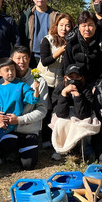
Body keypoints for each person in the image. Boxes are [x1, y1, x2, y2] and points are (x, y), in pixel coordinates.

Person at [0, 46, 49, 169]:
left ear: (30, 59)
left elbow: (42, 110)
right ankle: (12, 150)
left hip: (28, 130)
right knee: (6, 143)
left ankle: (23, 149)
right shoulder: (2, 82)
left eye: (25, 58)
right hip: (8, 129)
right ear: (11, 59)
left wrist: (19, 120)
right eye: (18, 58)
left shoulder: (39, 81)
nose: (21, 61)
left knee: (28, 165)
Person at [0, 57, 40, 165]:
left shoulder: (21, 86)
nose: (10, 73)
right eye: (7, 70)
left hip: (8, 120)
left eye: (13, 69)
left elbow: (33, 99)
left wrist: (36, 89)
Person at [37, 13, 75, 148]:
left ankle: (55, 139)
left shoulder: (71, 42)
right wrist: (60, 51)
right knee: (45, 110)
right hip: (44, 81)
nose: (64, 28)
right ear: (56, 26)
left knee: (56, 110)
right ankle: (43, 139)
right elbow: (45, 61)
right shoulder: (47, 40)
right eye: (61, 25)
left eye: (67, 26)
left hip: (59, 82)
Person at [51, 65, 99, 161]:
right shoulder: (59, 88)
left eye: (77, 77)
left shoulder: (86, 90)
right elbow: (60, 113)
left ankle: (87, 149)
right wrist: (63, 94)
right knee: (61, 121)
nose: (74, 80)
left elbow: (84, 114)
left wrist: (78, 97)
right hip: (65, 114)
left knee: (85, 122)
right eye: (71, 77)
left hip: (82, 114)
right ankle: (60, 149)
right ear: (66, 78)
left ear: (81, 78)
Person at [64, 11, 102, 87]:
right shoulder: (72, 43)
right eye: (83, 26)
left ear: (96, 26)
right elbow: (67, 65)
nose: (87, 29)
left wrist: (99, 85)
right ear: (78, 27)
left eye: (90, 25)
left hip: (97, 84)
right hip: (76, 82)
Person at [18, 0, 60, 66]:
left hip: (50, 56)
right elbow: (20, 37)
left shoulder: (56, 15)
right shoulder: (26, 15)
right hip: (31, 56)